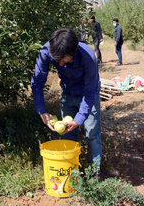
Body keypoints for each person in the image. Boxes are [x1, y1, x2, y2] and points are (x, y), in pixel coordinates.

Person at [31, 28, 102, 171]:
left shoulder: (88, 57)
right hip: (67, 91)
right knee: (68, 133)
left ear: (73, 52)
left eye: (64, 60)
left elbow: (89, 93)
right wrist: (42, 112)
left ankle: (95, 173)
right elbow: (37, 83)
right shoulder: (47, 51)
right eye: (58, 61)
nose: (61, 65)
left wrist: (78, 119)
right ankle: (70, 170)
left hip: (88, 93)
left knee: (92, 134)